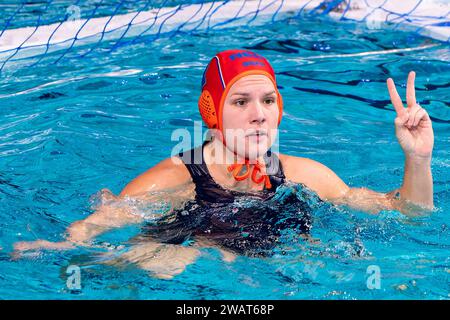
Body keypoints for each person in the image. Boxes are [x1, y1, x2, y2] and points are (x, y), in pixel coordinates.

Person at [13, 49, 434, 279]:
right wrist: (61, 250)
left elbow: (409, 216)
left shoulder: (305, 173)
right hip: (191, 268)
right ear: (212, 112)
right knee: (165, 262)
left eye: (268, 101)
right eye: (241, 102)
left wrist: (418, 159)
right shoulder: (172, 178)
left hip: (276, 271)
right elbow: (95, 226)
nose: (260, 115)